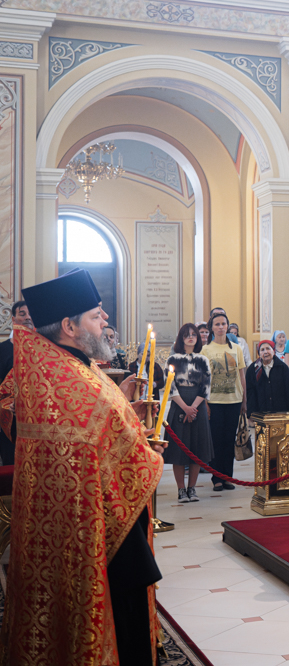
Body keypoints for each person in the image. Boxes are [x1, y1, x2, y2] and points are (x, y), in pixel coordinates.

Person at [0, 269, 163, 665]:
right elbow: (95, 429)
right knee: (119, 617)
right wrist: (142, 442)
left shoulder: (67, 366)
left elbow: (94, 425)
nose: (105, 321)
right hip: (99, 527)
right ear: (69, 326)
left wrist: (124, 407)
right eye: (96, 315)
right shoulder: (71, 375)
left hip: (86, 517)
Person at [164, 323, 213, 503]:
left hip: (197, 403)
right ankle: (181, 489)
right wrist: (185, 407)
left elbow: (206, 387)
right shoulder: (172, 360)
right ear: (181, 338)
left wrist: (194, 407)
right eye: (187, 335)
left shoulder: (203, 360)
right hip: (179, 402)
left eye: (194, 334)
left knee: (196, 448)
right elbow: (170, 386)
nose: (191, 337)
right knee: (179, 450)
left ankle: (192, 488)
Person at [200, 313, 246, 491]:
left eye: (223, 324)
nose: (220, 327)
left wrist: (244, 401)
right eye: (217, 324)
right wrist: (205, 402)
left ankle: (228, 477)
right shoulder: (206, 350)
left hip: (233, 400)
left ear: (227, 326)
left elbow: (241, 376)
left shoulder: (236, 348)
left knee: (229, 440)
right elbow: (203, 379)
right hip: (214, 401)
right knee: (216, 440)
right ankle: (216, 477)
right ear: (212, 327)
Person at [0, 299, 32, 464]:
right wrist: (9, 404)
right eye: (22, 314)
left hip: (35, 416)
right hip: (8, 418)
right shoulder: (2, 349)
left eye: (30, 313)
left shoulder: (42, 347)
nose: (28, 317)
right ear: (13, 319)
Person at [246, 339, 289, 414]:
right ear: (259, 353)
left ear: (273, 351)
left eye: (268, 348)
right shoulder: (253, 369)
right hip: (260, 412)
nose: (265, 352)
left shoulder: (282, 367)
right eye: (262, 349)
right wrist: (250, 414)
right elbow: (250, 393)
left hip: (281, 412)